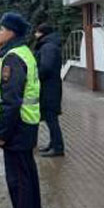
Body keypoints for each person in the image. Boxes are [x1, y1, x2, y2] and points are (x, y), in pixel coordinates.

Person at [0, 12, 41, 208]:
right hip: (26, 122)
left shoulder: (12, 58)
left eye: (1, 29)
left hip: (17, 126)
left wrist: (0, 133)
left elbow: (11, 101)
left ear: (11, 32)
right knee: (28, 170)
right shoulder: (24, 52)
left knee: (18, 176)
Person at [34, 24, 65, 157]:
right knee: (49, 118)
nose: (35, 35)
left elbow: (46, 67)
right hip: (50, 87)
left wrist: (35, 77)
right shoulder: (49, 45)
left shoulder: (48, 47)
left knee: (51, 119)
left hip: (49, 89)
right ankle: (53, 144)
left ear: (42, 33)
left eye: (37, 32)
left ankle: (58, 148)